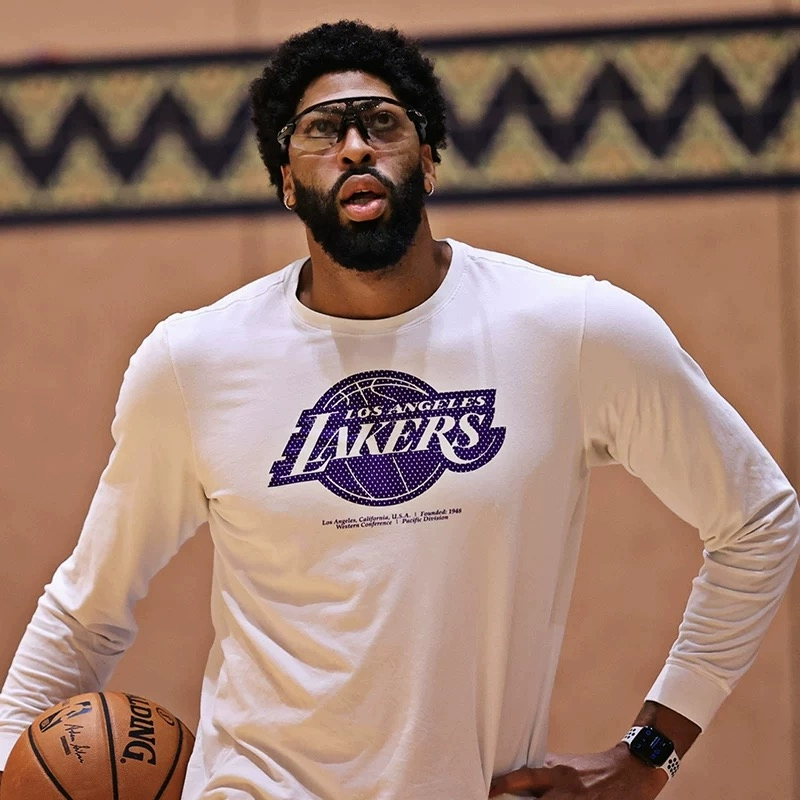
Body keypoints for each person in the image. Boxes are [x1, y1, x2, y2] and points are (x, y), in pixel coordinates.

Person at [0, 19, 798, 800]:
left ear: (428, 160)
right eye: (321, 130)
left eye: (381, 123)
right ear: (286, 181)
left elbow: (759, 522)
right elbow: (85, 614)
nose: (355, 147)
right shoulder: (194, 362)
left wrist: (651, 754)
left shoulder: (574, 330)